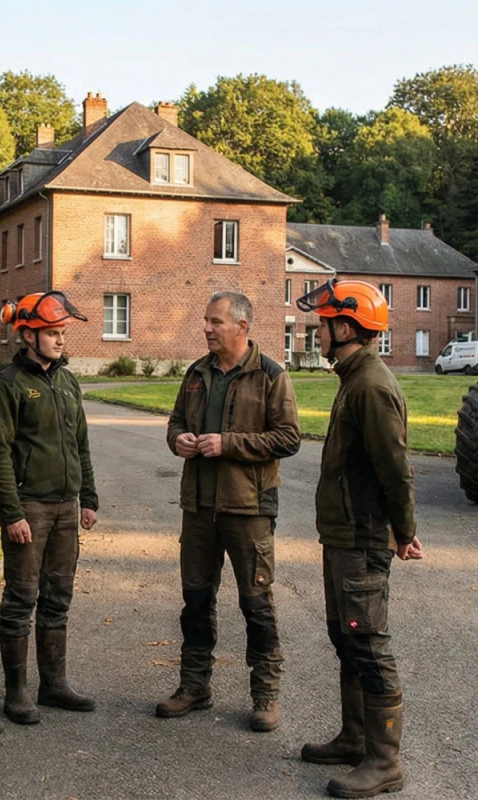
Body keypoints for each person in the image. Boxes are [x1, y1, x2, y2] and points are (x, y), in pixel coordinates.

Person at [293, 279, 424, 798]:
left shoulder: (370, 385)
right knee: (346, 637)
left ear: (345, 328)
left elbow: (396, 468)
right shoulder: (353, 379)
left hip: (362, 537)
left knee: (368, 643)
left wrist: (404, 531)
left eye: (324, 325)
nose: (318, 333)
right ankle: (355, 739)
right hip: (344, 534)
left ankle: (385, 761)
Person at [156, 290, 300, 732]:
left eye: (215, 321)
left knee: (256, 604)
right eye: (206, 320)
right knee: (196, 601)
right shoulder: (196, 374)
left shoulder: (271, 375)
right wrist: (179, 440)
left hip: (248, 509)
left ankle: (265, 695)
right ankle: (194, 686)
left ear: (242, 326)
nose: (207, 328)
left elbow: (288, 438)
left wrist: (228, 444)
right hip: (198, 507)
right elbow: (176, 422)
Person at [0, 291, 99, 724]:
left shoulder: (68, 381)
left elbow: (80, 443)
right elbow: (0, 454)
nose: (60, 339)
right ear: (28, 335)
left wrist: (88, 498)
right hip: (29, 507)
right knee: (21, 599)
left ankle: (53, 685)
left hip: (66, 507)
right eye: (52, 332)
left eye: (62, 332)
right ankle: (16, 694)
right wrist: (11, 513)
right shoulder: (8, 384)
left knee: (58, 598)